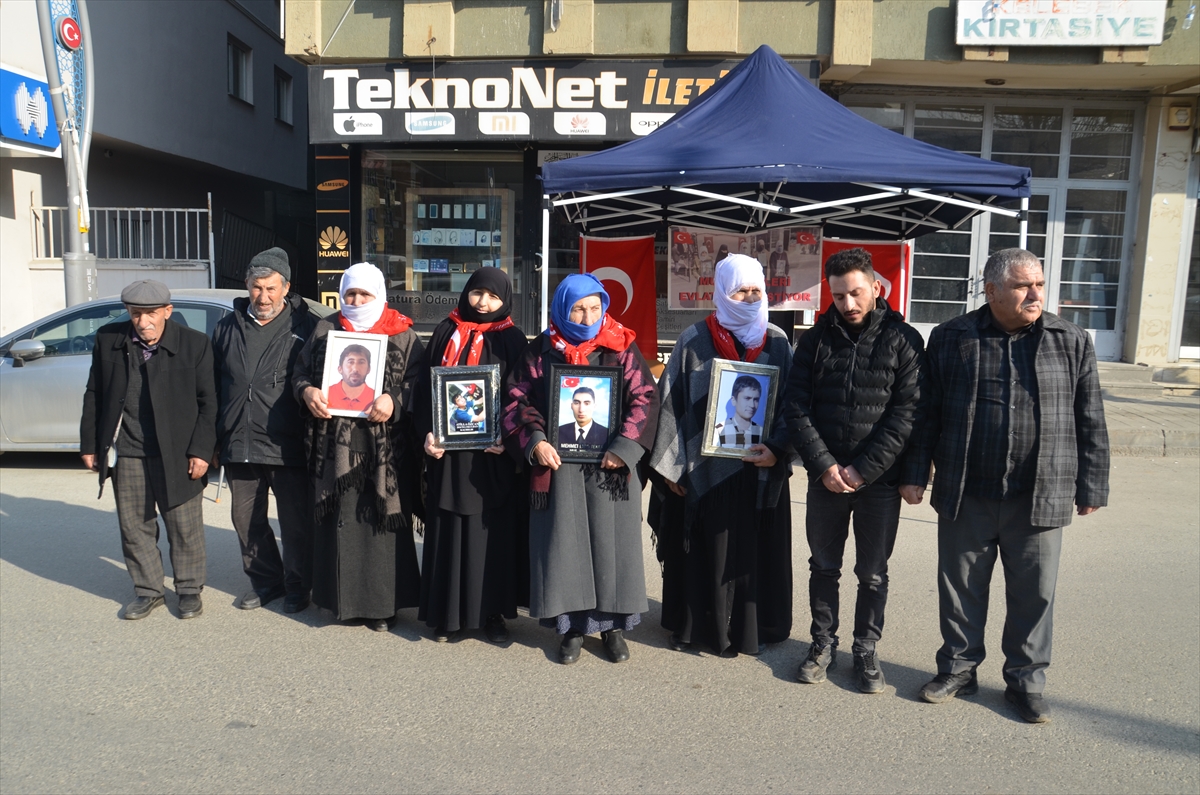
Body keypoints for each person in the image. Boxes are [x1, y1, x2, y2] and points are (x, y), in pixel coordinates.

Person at [901, 248, 1109, 724]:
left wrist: (1093, 484)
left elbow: (1090, 417)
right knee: (960, 588)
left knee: (1034, 594)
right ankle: (958, 668)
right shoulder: (953, 338)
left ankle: (1026, 682)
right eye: (1022, 286)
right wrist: (915, 473)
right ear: (991, 291)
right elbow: (927, 412)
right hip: (967, 489)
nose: (1035, 294)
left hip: (1040, 491)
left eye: (1038, 284)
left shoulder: (1069, 339)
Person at [782, 247, 924, 693]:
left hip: (878, 482)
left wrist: (863, 469)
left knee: (873, 573)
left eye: (856, 293)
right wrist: (823, 465)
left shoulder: (903, 340)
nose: (848, 304)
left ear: (876, 288)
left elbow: (907, 414)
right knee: (823, 566)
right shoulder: (815, 340)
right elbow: (796, 406)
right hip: (825, 480)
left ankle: (866, 648)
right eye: (839, 296)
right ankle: (822, 644)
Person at [503, 273, 659, 665]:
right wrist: (535, 440)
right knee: (564, 548)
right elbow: (516, 399)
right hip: (560, 467)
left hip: (610, 465)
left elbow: (645, 397)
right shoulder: (540, 351)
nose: (587, 316)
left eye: (594, 307)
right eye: (577, 308)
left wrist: (624, 447)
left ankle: (612, 628)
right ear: (561, 309)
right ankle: (571, 629)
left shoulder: (620, 346)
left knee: (611, 548)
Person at [649, 254, 795, 658]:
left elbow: (794, 405)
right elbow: (670, 405)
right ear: (721, 292)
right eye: (740, 290)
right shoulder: (692, 340)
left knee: (753, 553)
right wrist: (672, 467)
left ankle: (756, 628)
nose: (749, 298)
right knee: (705, 552)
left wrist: (778, 449)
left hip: (759, 470)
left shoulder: (779, 343)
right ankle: (698, 627)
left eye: (756, 290)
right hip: (704, 470)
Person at [293, 262, 426, 633]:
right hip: (335, 446)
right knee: (343, 522)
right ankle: (341, 602)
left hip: (386, 452)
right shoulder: (326, 328)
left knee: (380, 524)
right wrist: (307, 393)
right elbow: (300, 373)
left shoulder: (403, 335)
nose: (355, 300)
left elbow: (419, 384)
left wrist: (394, 401)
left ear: (379, 295)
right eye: (350, 293)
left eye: (363, 294)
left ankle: (383, 606)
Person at [80, 280, 216, 620]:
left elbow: (209, 403)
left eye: (151, 313)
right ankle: (148, 590)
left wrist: (201, 451)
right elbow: (94, 393)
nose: (143, 322)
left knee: (184, 527)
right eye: (136, 313)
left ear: (167, 312)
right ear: (128, 312)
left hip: (179, 452)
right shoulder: (109, 340)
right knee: (134, 525)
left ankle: (188, 589)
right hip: (128, 450)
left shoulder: (195, 344)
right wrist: (90, 444)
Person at [415, 267, 528, 644]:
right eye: (478, 293)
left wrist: (509, 438)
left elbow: (523, 395)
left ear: (505, 300)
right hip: (448, 457)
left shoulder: (512, 339)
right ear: (466, 293)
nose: (484, 302)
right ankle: (446, 617)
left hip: (491, 457)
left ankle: (492, 615)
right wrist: (427, 434)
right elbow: (422, 390)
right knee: (448, 530)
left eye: (493, 296)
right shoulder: (445, 332)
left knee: (490, 536)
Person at [211, 248, 320, 613]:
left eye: (272, 288)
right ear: (246, 285)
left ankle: (297, 586)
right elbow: (212, 385)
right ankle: (266, 582)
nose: (264, 296)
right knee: (246, 521)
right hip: (239, 440)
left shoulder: (306, 327)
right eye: (257, 287)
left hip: (286, 444)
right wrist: (213, 439)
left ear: (286, 287)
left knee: (295, 525)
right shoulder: (227, 326)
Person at [712, 375, 764, 448]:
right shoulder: (718, 429)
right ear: (734, 400)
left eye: (756, 400)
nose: (752, 405)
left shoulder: (762, 431)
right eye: (747, 398)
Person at [326, 344, 376, 411]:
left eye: (361, 362)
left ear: (368, 369)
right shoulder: (326, 394)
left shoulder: (376, 398)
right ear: (340, 369)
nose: (355, 369)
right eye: (350, 362)